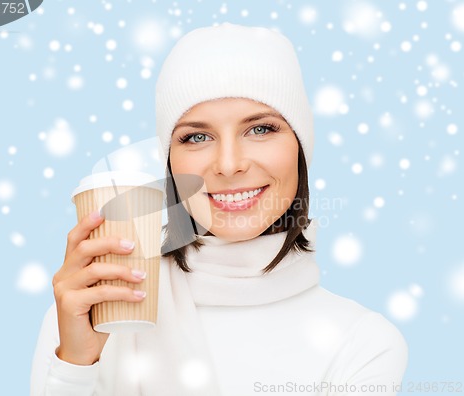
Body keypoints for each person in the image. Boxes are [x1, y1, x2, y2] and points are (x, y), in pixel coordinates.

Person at [31, 23, 408, 396]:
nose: (229, 165)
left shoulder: (364, 344)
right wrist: (74, 366)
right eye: (197, 137)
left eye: (260, 129)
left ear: (300, 146)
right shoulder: (90, 314)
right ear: (170, 162)